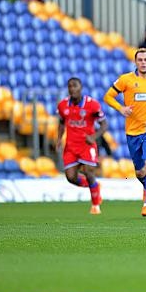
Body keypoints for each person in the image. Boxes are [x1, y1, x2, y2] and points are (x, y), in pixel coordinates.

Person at [103, 48, 146, 218]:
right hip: (132, 132)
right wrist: (121, 108)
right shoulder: (126, 80)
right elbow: (108, 96)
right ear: (136, 62)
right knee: (140, 172)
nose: (143, 62)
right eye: (139, 59)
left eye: (145, 59)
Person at [57, 77, 108, 215]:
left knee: (88, 171)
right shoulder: (62, 105)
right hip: (70, 146)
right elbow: (61, 123)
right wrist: (58, 139)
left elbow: (104, 124)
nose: (72, 88)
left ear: (81, 87)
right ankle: (95, 187)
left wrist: (94, 137)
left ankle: (95, 205)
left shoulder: (92, 105)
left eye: (75, 86)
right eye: (70, 86)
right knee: (71, 177)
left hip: (87, 145)